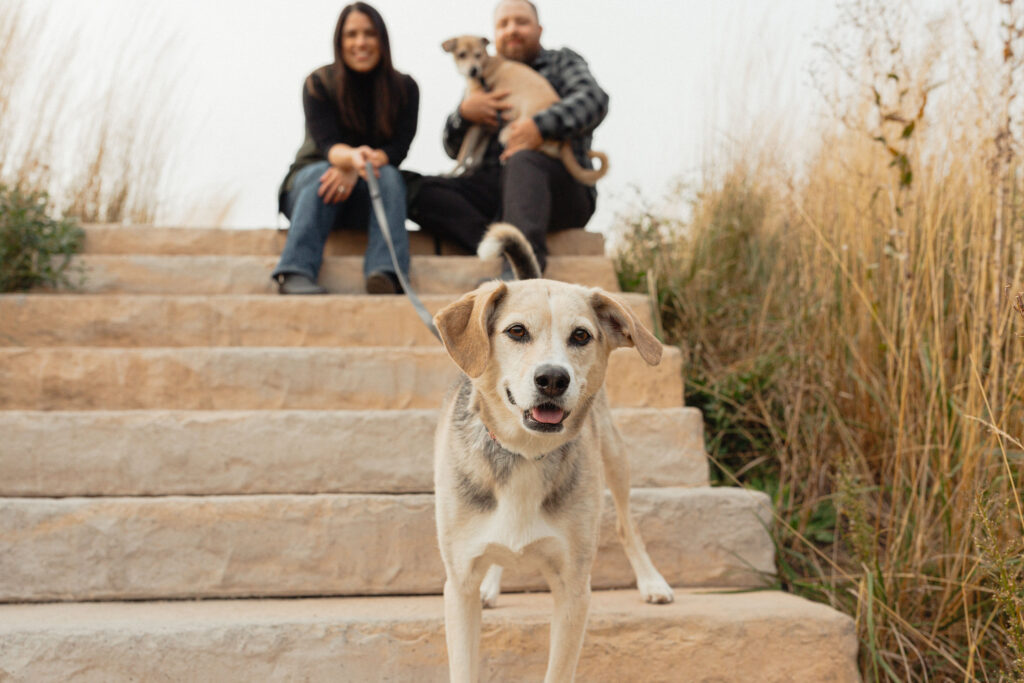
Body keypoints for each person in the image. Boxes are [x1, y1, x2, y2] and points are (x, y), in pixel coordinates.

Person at [408, 0, 608, 274]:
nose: (512, 29)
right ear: (493, 36)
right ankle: (499, 244)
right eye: (503, 24)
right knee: (412, 187)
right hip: (495, 193)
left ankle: (519, 271)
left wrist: (539, 127)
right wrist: (464, 115)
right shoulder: (483, 74)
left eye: (521, 22)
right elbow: (453, 148)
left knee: (523, 161)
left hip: (555, 185)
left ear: (539, 29)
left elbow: (594, 100)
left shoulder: (562, 61)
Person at [273, 2, 419, 295]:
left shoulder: (405, 88)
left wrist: (363, 166)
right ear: (340, 41)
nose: (361, 42)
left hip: (372, 193)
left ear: (382, 39)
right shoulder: (317, 83)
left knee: (390, 175)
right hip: (313, 190)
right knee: (325, 173)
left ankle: (387, 273)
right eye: (352, 35)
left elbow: (398, 148)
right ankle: (295, 271)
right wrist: (352, 161)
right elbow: (327, 145)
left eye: (369, 33)